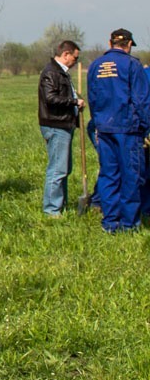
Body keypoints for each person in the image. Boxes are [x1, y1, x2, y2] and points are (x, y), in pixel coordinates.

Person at [87, 28, 150, 233]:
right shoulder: (132, 65)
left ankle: (110, 222)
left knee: (108, 174)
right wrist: (146, 127)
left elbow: (93, 99)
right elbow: (141, 100)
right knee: (131, 175)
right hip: (128, 129)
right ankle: (129, 224)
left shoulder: (96, 65)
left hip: (104, 128)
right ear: (129, 44)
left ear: (110, 42)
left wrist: (97, 123)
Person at [38, 40, 84, 217]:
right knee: (57, 169)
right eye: (75, 58)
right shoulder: (51, 72)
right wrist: (73, 102)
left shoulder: (61, 73)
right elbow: (50, 98)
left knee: (64, 168)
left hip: (64, 123)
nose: (76, 62)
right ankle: (51, 210)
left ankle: (61, 202)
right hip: (55, 124)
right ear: (66, 54)